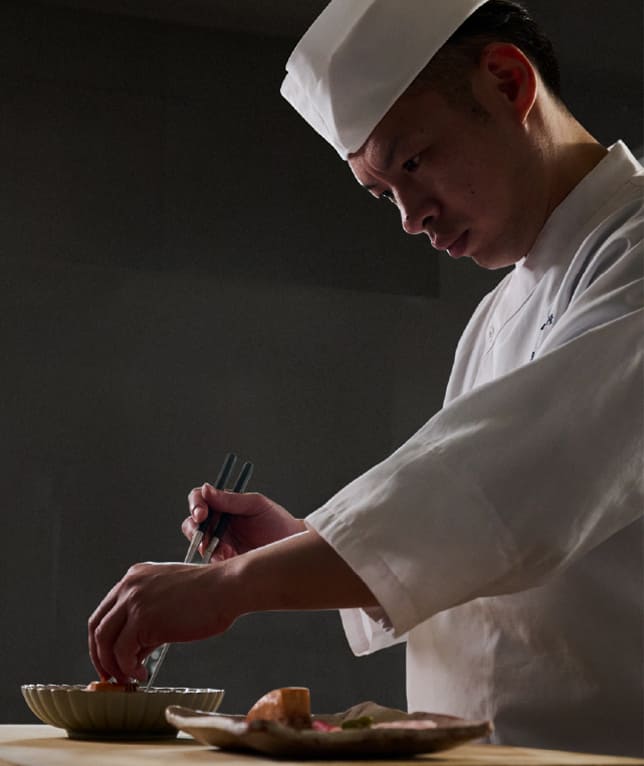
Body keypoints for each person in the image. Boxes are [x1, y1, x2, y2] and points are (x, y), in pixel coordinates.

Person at [88, 0, 644, 756]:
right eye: (384, 194)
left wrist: (230, 587)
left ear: (508, 83)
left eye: (414, 162)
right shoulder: (496, 313)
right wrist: (297, 545)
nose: (411, 217)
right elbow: (466, 538)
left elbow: (511, 490)